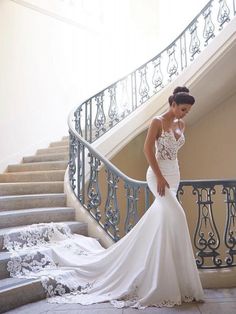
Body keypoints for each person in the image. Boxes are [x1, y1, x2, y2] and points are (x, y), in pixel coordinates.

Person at [6, 87, 204, 309]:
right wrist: (159, 177)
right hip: (158, 176)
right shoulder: (157, 122)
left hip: (174, 175)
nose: (185, 114)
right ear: (174, 105)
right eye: (183, 109)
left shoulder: (181, 124)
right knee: (178, 215)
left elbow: (175, 152)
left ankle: (172, 279)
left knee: (165, 222)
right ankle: (162, 279)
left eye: (187, 111)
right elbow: (148, 150)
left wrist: (170, 174)